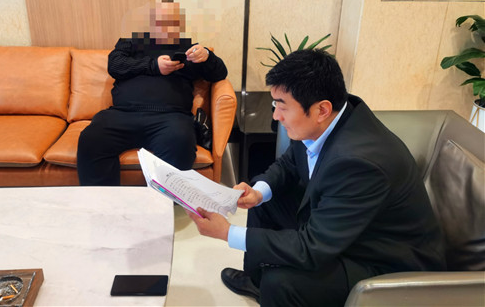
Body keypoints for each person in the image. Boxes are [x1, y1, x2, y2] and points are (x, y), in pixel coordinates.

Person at [187, 49, 445, 307]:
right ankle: (257, 282)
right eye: (275, 105)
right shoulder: (329, 119)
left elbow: (312, 248)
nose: (276, 116)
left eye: (283, 106)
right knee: (264, 202)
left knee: (281, 283)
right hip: (346, 227)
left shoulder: (358, 162)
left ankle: (271, 290)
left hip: (383, 260)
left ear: (321, 109)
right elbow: (290, 163)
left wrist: (228, 233)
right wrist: (258, 192)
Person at [77, 0, 227, 186]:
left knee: (181, 141)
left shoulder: (189, 50)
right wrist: (154, 66)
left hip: (170, 118)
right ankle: (105, 201)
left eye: (172, 21)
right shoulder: (131, 42)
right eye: (160, 20)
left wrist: (208, 56)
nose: (166, 26)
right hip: (122, 115)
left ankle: (162, 201)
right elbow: (114, 65)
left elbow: (219, 74)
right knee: (91, 139)